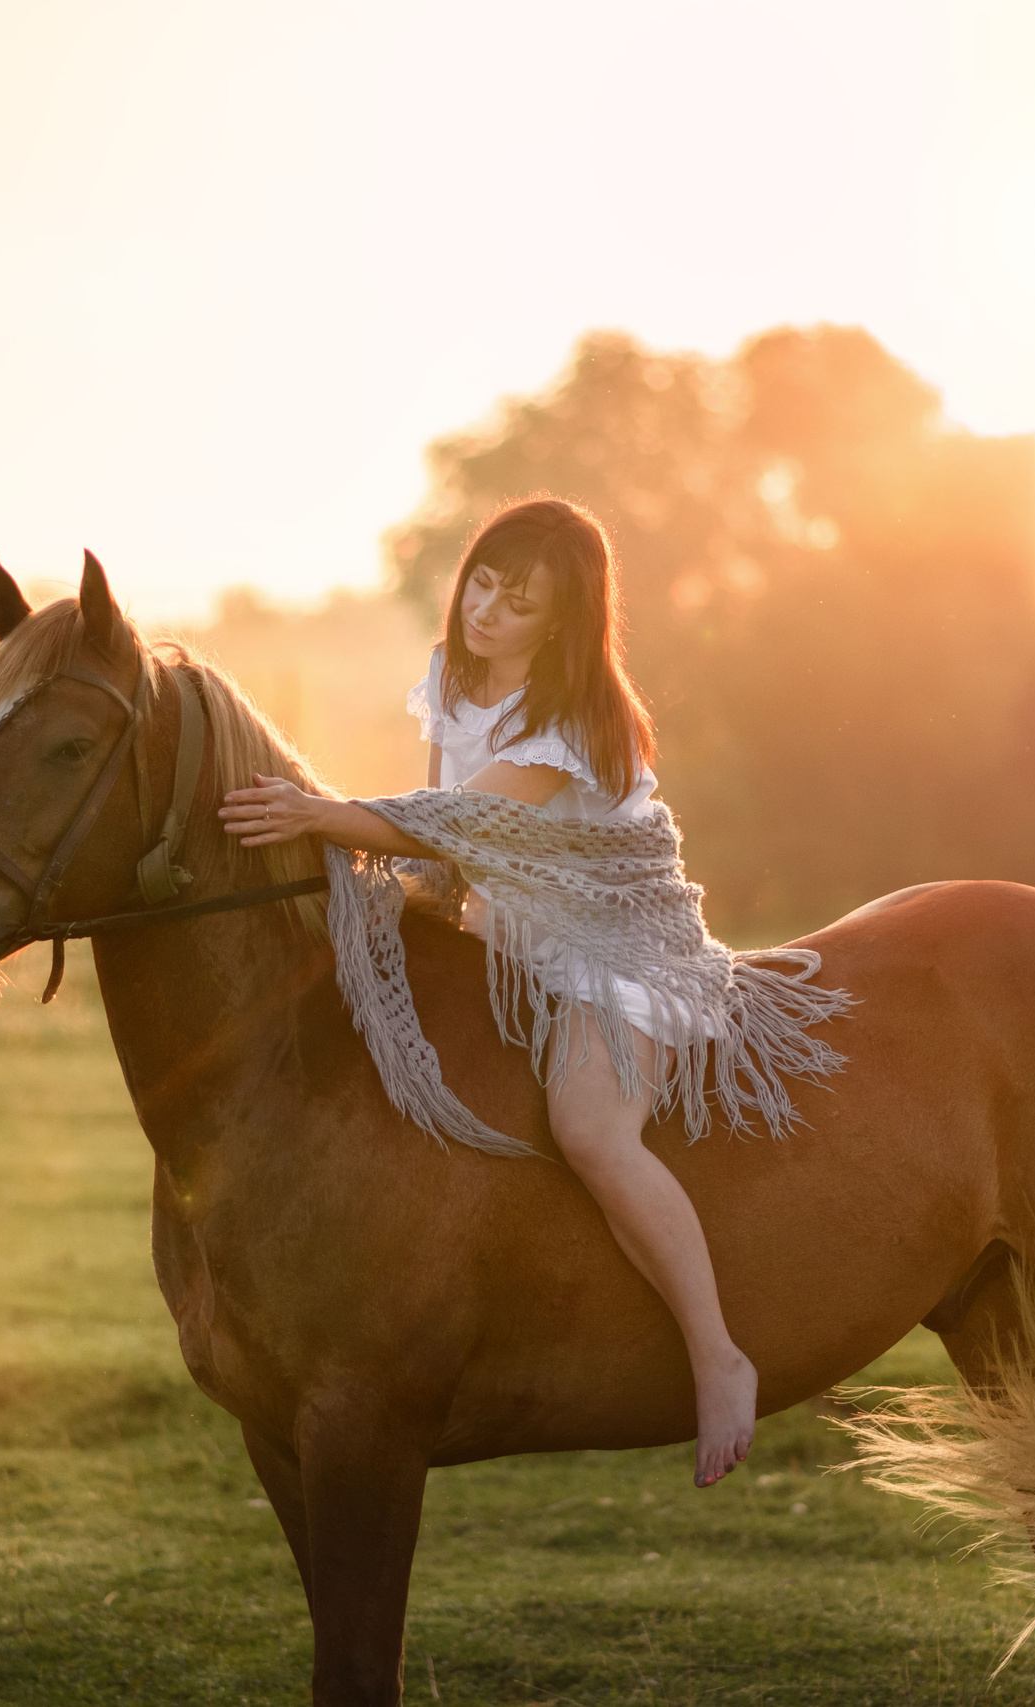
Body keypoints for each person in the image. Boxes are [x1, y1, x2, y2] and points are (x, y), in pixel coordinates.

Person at [218, 497, 760, 1488]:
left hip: (619, 950)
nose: (488, 611)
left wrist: (320, 814)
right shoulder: (453, 683)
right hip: (507, 937)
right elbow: (447, 858)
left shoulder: (573, 728)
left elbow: (451, 816)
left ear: (562, 621)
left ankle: (717, 1357)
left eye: (521, 603)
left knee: (590, 1124)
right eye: (484, 583)